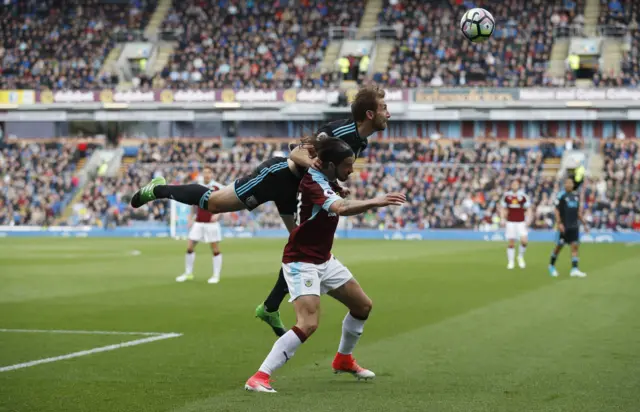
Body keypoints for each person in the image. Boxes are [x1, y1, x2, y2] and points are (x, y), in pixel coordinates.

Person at [244, 138, 405, 393]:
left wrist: (337, 188)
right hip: (301, 261)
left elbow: (303, 152)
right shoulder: (313, 182)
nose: (351, 171)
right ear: (330, 165)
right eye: (347, 166)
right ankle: (259, 377)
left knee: (362, 306)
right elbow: (339, 208)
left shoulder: (325, 177)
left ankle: (343, 359)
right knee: (308, 324)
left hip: (323, 259)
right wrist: (375, 201)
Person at [254, 85, 391, 336]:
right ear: (370, 114)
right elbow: (297, 152)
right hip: (291, 183)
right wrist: (318, 173)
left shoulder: (361, 141)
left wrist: (333, 185)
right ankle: (160, 191)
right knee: (218, 203)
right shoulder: (338, 131)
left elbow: (329, 168)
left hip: (310, 190)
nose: (389, 114)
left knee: (302, 247)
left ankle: (270, 306)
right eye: (384, 108)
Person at [176, 166, 225, 284]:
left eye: (209, 173)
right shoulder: (198, 186)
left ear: (212, 174)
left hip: (211, 224)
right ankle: (188, 273)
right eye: (205, 173)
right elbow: (193, 203)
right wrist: (190, 217)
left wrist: (218, 214)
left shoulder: (218, 187)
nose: (207, 175)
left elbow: (225, 202)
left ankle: (216, 275)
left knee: (214, 249)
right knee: (189, 246)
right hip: (198, 222)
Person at [549, 178, 589, 278]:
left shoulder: (576, 196)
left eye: (570, 183)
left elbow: (578, 212)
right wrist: (559, 223)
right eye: (567, 183)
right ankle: (551, 266)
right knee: (559, 247)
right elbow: (557, 210)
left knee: (575, 247)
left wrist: (584, 224)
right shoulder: (561, 195)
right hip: (564, 226)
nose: (569, 185)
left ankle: (574, 269)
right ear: (564, 184)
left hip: (574, 226)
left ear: (573, 185)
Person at [500, 179, 532, 269]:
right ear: (511, 185)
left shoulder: (523, 196)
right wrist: (502, 218)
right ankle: (511, 261)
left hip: (521, 222)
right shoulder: (507, 196)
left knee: (524, 241)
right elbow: (503, 208)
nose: (514, 185)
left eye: (516, 184)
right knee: (511, 242)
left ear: (519, 185)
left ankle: (520, 257)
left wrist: (529, 218)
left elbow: (528, 208)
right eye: (513, 184)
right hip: (510, 222)